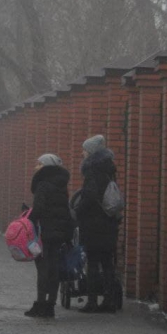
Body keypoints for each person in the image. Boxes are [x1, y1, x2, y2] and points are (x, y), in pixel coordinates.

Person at [74, 135, 120, 313]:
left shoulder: (92, 170)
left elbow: (90, 196)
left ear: (92, 152)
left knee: (92, 262)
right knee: (107, 262)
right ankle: (109, 300)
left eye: (85, 150)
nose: (82, 153)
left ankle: (92, 301)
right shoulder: (108, 169)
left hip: (93, 223)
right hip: (108, 222)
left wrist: (78, 210)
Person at [25, 154, 73, 318]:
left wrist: (28, 219)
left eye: (39, 164)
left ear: (46, 166)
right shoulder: (61, 185)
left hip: (44, 231)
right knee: (54, 268)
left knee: (42, 268)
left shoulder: (43, 184)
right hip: (59, 231)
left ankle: (40, 304)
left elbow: (38, 208)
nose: (36, 167)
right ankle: (50, 305)